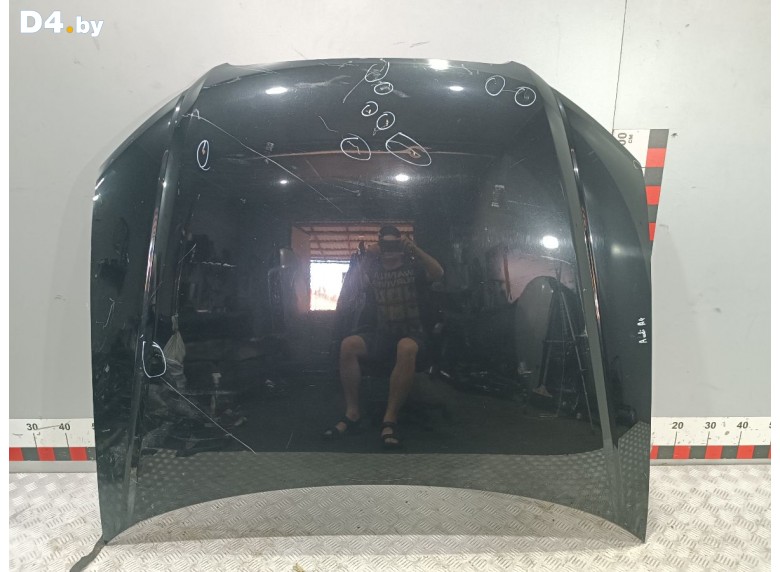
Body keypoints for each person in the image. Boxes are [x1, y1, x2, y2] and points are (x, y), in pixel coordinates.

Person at [323, 225, 444, 448]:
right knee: (348, 345)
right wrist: (367, 258)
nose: (389, 249)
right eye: (385, 244)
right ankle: (352, 413)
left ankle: (390, 418)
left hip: (413, 335)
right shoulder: (374, 270)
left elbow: (438, 272)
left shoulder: (414, 268)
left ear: (401, 245)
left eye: (394, 244)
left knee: (406, 347)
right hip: (382, 335)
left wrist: (414, 249)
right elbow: (353, 286)